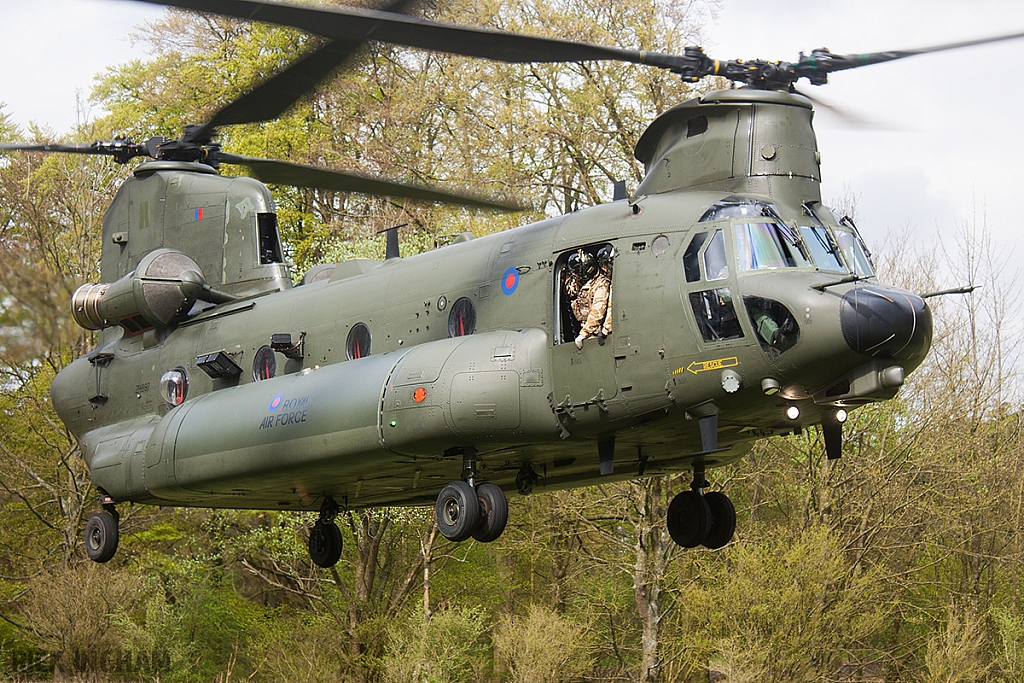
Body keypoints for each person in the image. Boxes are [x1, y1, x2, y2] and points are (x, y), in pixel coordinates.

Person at [574, 246, 614, 349]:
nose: (604, 269)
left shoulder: (601, 285)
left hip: (595, 334)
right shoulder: (587, 284)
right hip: (590, 331)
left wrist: (584, 334)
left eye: (605, 265)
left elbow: (598, 310)